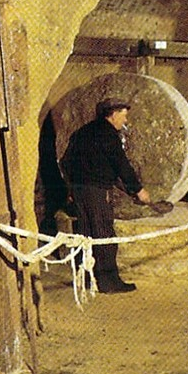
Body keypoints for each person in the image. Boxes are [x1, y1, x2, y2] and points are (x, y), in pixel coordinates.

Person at [60, 97, 151, 293]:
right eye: (124, 116)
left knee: (85, 234)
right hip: (97, 192)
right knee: (104, 235)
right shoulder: (108, 135)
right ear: (113, 114)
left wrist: (72, 188)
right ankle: (109, 282)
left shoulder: (83, 131)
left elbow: (66, 162)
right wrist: (138, 189)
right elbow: (121, 164)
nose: (125, 121)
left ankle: (86, 278)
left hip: (80, 191)